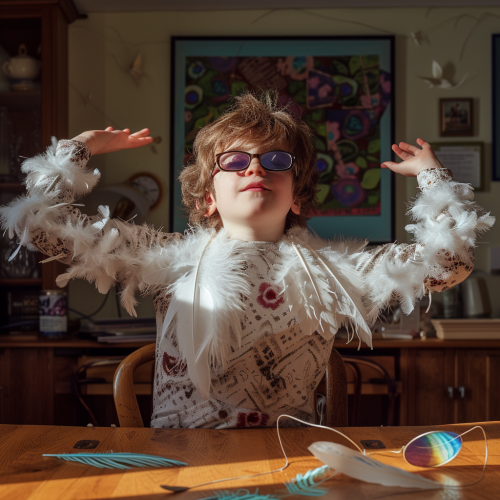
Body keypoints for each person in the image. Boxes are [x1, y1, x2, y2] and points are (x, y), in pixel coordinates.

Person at [0, 93, 494, 429]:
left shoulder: (336, 271)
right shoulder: (167, 260)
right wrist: (78, 148)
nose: (256, 166)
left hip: (288, 463)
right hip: (180, 463)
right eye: (235, 161)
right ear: (208, 198)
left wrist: (433, 178)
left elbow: (450, 261)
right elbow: (37, 226)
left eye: (276, 161)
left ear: (297, 197)